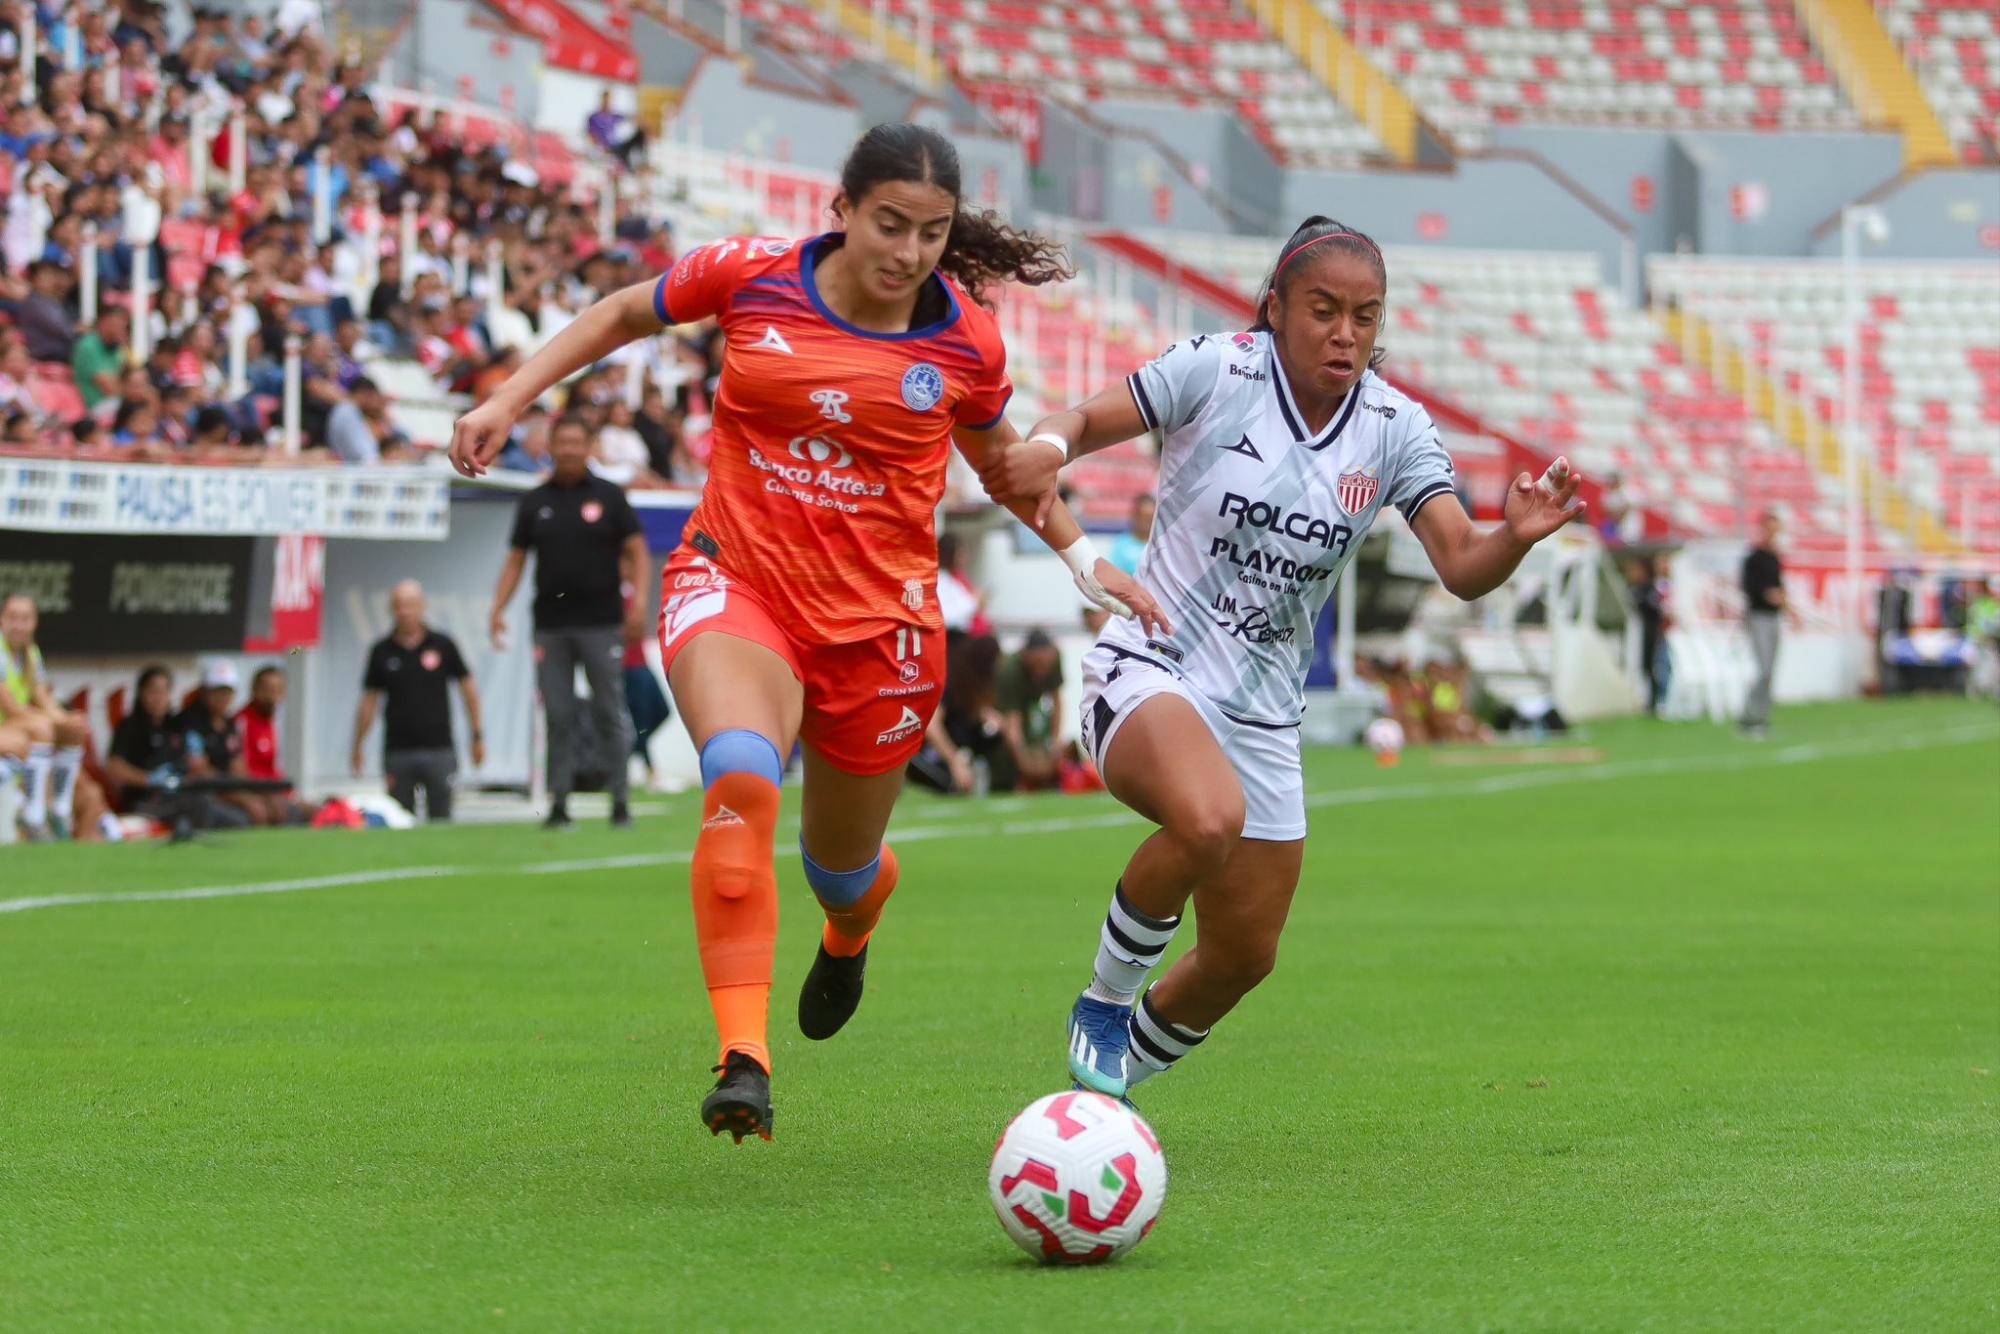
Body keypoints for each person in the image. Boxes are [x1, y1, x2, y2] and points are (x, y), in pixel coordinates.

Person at [447, 122, 1165, 1143]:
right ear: (839, 210)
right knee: (738, 773)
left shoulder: (963, 340)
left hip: (881, 630)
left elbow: (1007, 465)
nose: (909, 250)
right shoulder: (751, 275)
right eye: (889, 224)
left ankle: (850, 926)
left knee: (839, 866)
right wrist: (508, 396)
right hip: (735, 580)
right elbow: (618, 313)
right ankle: (744, 1057)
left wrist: (1081, 559)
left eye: (931, 231)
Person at [978, 215, 1585, 1100]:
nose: (1345, 334)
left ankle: (1099, 1100)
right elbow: (1076, 420)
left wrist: (1516, 538)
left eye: (1365, 317)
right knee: (1205, 818)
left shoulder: (1394, 428)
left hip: (1263, 715)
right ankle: (1104, 1002)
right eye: (1324, 310)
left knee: (1242, 956)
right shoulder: (1215, 369)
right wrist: (1047, 446)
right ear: (1275, 308)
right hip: (1153, 666)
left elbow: (1460, 565)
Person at [487, 413, 646, 830]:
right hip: (552, 624)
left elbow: (637, 551)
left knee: (609, 710)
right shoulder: (535, 501)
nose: (570, 450)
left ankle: (620, 801)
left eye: (578, 442)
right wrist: (497, 608)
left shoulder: (610, 497)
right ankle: (559, 804)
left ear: (589, 446)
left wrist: (640, 602)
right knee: (557, 715)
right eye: (563, 443)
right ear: (551, 447)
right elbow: (516, 559)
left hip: (602, 621)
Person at [353, 581, 485, 821]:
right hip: (398, 749)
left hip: (439, 748)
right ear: (392, 609)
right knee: (399, 818)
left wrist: (476, 734)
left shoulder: (442, 645)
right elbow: (369, 702)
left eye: (410, 605)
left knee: (441, 817)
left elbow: (469, 691)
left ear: (422, 607)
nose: (405, 612)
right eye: (399, 606)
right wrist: (358, 745)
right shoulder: (382, 651)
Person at [103, 665, 251, 832]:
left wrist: (186, 773)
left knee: (238, 819)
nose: (158, 698)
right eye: (153, 691)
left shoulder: (176, 725)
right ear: (141, 693)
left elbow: (194, 762)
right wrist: (150, 779)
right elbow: (114, 767)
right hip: (147, 799)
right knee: (200, 805)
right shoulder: (130, 726)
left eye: (164, 692)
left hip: (181, 792)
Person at [1, 593, 89, 839]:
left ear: (35, 622)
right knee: (41, 729)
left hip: (13, 729)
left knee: (72, 728)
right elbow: (13, 709)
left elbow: (43, 698)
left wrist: (66, 719)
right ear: (2, 620)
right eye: (12, 618)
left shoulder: (30, 653)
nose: (18, 625)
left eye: (25, 618)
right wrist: (54, 719)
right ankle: (34, 813)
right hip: (7, 729)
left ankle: (60, 809)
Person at [174, 660, 277, 826]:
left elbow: (239, 768)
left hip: (226, 790)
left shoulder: (229, 724)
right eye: (217, 691)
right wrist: (241, 797)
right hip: (199, 795)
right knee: (247, 817)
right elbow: (200, 773)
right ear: (205, 691)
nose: (223, 697)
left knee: (275, 807)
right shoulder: (190, 723)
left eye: (227, 692)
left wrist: (252, 793)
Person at [993, 629, 1064, 791]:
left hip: (1032, 706)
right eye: (1038, 664)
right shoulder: (1009, 670)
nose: (1043, 670)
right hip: (1002, 707)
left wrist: (1055, 741)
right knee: (1009, 749)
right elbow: (1012, 718)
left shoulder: (1055, 659)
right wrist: (1022, 760)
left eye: (1046, 664)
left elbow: (1057, 701)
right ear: (1026, 656)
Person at [1740, 509, 1785, 738]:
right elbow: (1749, 587)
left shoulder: (1774, 557)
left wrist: (1782, 599)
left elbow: (1779, 586)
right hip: (1759, 618)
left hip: (1774, 617)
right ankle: (1749, 716)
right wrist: (1767, 594)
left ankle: (1762, 717)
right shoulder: (1754, 557)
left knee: (1770, 670)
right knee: (1763, 668)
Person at [1626, 555, 1668, 714]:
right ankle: (1648, 701)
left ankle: (1656, 701)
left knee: (1655, 667)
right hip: (1643, 633)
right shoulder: (1636, 589)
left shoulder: (1650, 588)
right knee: (1646, 667)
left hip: (1652, 633)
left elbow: (1656, 610)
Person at [1109, 494, 1155, 576]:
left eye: (1150, 518)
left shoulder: (1160, 545)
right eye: (1143, 517)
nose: (1146, 523)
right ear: (1135, 516)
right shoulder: (1121, 544)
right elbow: (1115, 575)